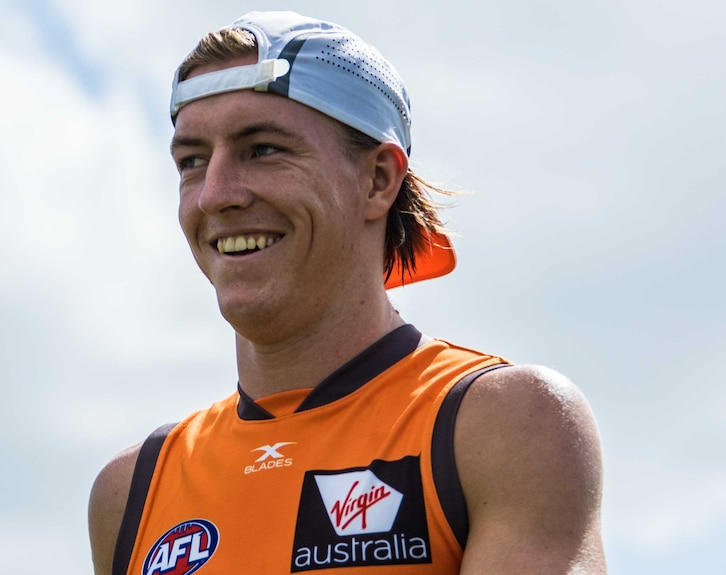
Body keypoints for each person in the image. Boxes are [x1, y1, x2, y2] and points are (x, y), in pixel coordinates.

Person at [88, 11, 605, 575]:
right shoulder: (131, 490)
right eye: (191, 162)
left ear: (379, 179)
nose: (216, 194)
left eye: (262, 149)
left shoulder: (503, 422)